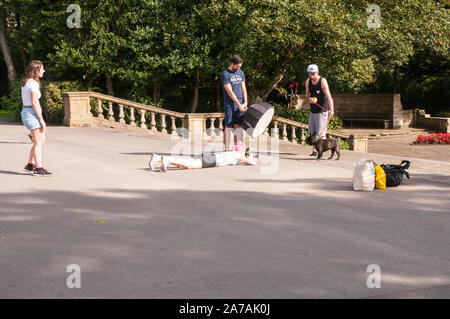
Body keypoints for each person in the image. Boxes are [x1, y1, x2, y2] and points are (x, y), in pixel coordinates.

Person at [21, 60, 52, 176]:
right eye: (42, 68)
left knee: (39, 141)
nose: (44, 70)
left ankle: (30, 165)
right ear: (36, 70)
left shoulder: (27, 82)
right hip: (31, 113)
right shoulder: (33, 83)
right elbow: (34, 102)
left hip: (27, 112)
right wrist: (41, 119)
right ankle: (38, 169)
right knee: (39, 142)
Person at [304, 64, 334, 157]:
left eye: (313, 73)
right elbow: (307, 96)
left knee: (321, 133)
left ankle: (321, 151)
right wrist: (310, 99)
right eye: (310, 73)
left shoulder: (322, 81)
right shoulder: (308, 81)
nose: (311, 75)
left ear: (317, 72)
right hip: (313, 110)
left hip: (322, 110)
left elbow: (329, 97)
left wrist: (331, 110)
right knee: (312, 132)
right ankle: (314, 151)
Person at [220, 55, 248, 151]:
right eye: (237, 66)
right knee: (228, 125)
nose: (239, 68)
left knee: (238, 126)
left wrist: (245, 102)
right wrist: (239, 105)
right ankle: (227, 148)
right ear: (232, 64)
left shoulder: (241, 73)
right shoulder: (225, 74)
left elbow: (243, 88)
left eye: (240, 66)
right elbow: (230, 92)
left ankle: (238, 147)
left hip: (241, 102)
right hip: (230, 104)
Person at [148, 149, 256, 172]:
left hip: (210, 155)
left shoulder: (232, 152)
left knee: (185, 164)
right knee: (189, 166)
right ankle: (166, 159)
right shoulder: (239, 155)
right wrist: (250, 157)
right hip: (212, 160)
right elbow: (252, 163)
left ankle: (157, 158)